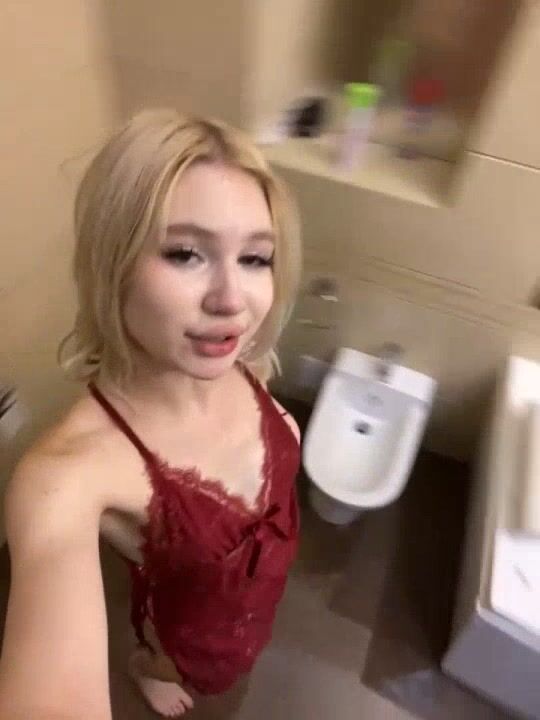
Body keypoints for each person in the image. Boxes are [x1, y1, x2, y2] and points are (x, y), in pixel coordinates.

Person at [0, 109, 302, 720]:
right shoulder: (62, 478)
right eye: (186, 253)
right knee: (170, 655)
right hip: (183, 635)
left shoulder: (243, 364)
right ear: (113, 266)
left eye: (255, 259)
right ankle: (148, 667)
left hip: (253, 607)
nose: (232, 301)